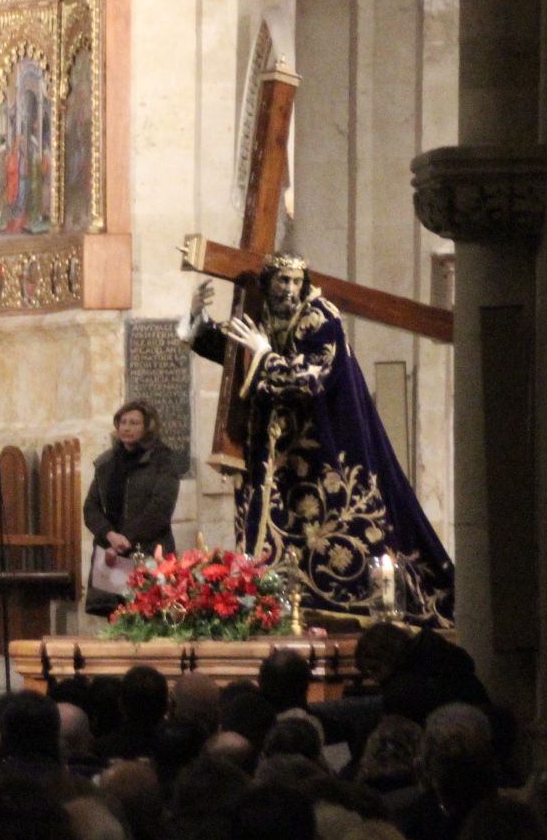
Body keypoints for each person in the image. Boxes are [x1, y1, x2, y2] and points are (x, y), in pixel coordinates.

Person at [180, 253, 454, 626]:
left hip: (326, 443)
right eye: (282, 281)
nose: (289, 289)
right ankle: (267, 604)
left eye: (296, 282)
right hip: (274, 449)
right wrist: (199, 322)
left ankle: (347, 609)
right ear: (269, 282)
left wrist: (263, 355)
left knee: (326, 528)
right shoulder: (261, 312)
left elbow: (311, 377)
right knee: (271, 524)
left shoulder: (321, 317)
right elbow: (236, 356)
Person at [81, 399, 183, 616]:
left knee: (146, 614)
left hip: (146, 550)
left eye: (134, 423)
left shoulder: (163, 461)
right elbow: (91, 507)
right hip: (111, 553)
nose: (126, 428)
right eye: (123, 422)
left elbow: (160, 508)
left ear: (147, 427)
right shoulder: (106, 463)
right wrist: (109, 534)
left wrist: (125, 538)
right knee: (116, 616)